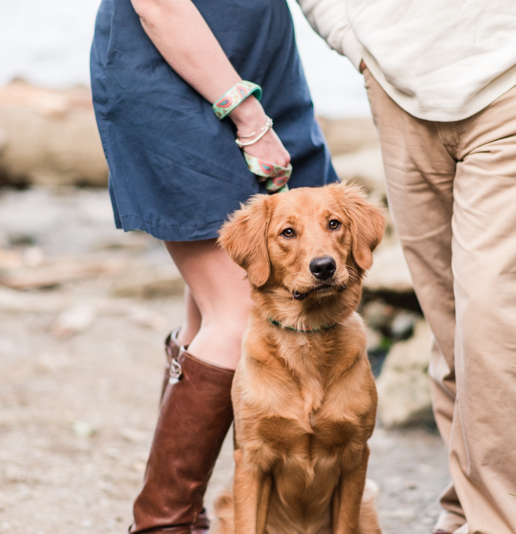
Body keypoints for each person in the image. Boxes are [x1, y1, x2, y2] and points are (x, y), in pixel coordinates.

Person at [298, 1, 516, 533]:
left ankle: (498, 523)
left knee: (497, 322)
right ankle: (464, 513)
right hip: (397, 82)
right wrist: (352, 36)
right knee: (449, 321)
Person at [89, 0, 338, 531]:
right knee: (241, 314)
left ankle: (181, 514)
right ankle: (163, 523)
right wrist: (247, 116)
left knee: (207, 314)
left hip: (260, 71)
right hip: (176, 75)